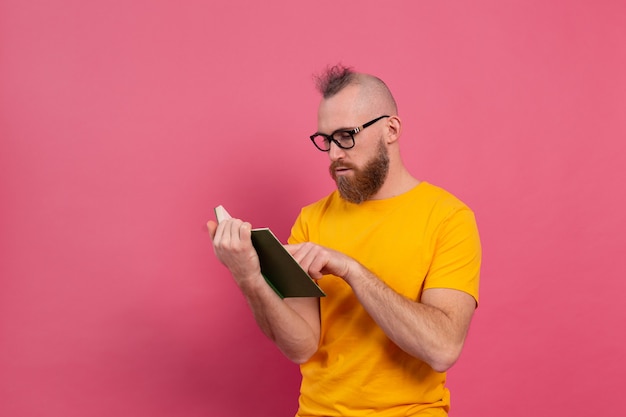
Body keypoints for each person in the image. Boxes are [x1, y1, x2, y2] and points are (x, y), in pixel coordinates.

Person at [207, 65, 481, 417]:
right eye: (326, 140)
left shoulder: (448, 218)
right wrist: (249, 278)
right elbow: (302, 347)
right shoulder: (312, 220)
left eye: (346, 136)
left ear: (391, 129)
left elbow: (442, 348)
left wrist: (351, 269)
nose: (334, 154)